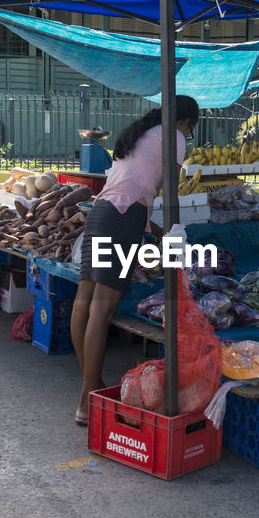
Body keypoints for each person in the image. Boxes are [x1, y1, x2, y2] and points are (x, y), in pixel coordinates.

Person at [69, 96, 200, 426]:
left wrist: (153, 229)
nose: (189, 134)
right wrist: (174, 230)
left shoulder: (141, 133)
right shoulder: (175, 135)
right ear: (185, 123)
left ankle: (92, 385)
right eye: (191, 129)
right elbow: (170, 188)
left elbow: (133, 182)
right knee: (102, 309)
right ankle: (86, 401)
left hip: (101, 212)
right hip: (123, 216)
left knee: (83, 302)